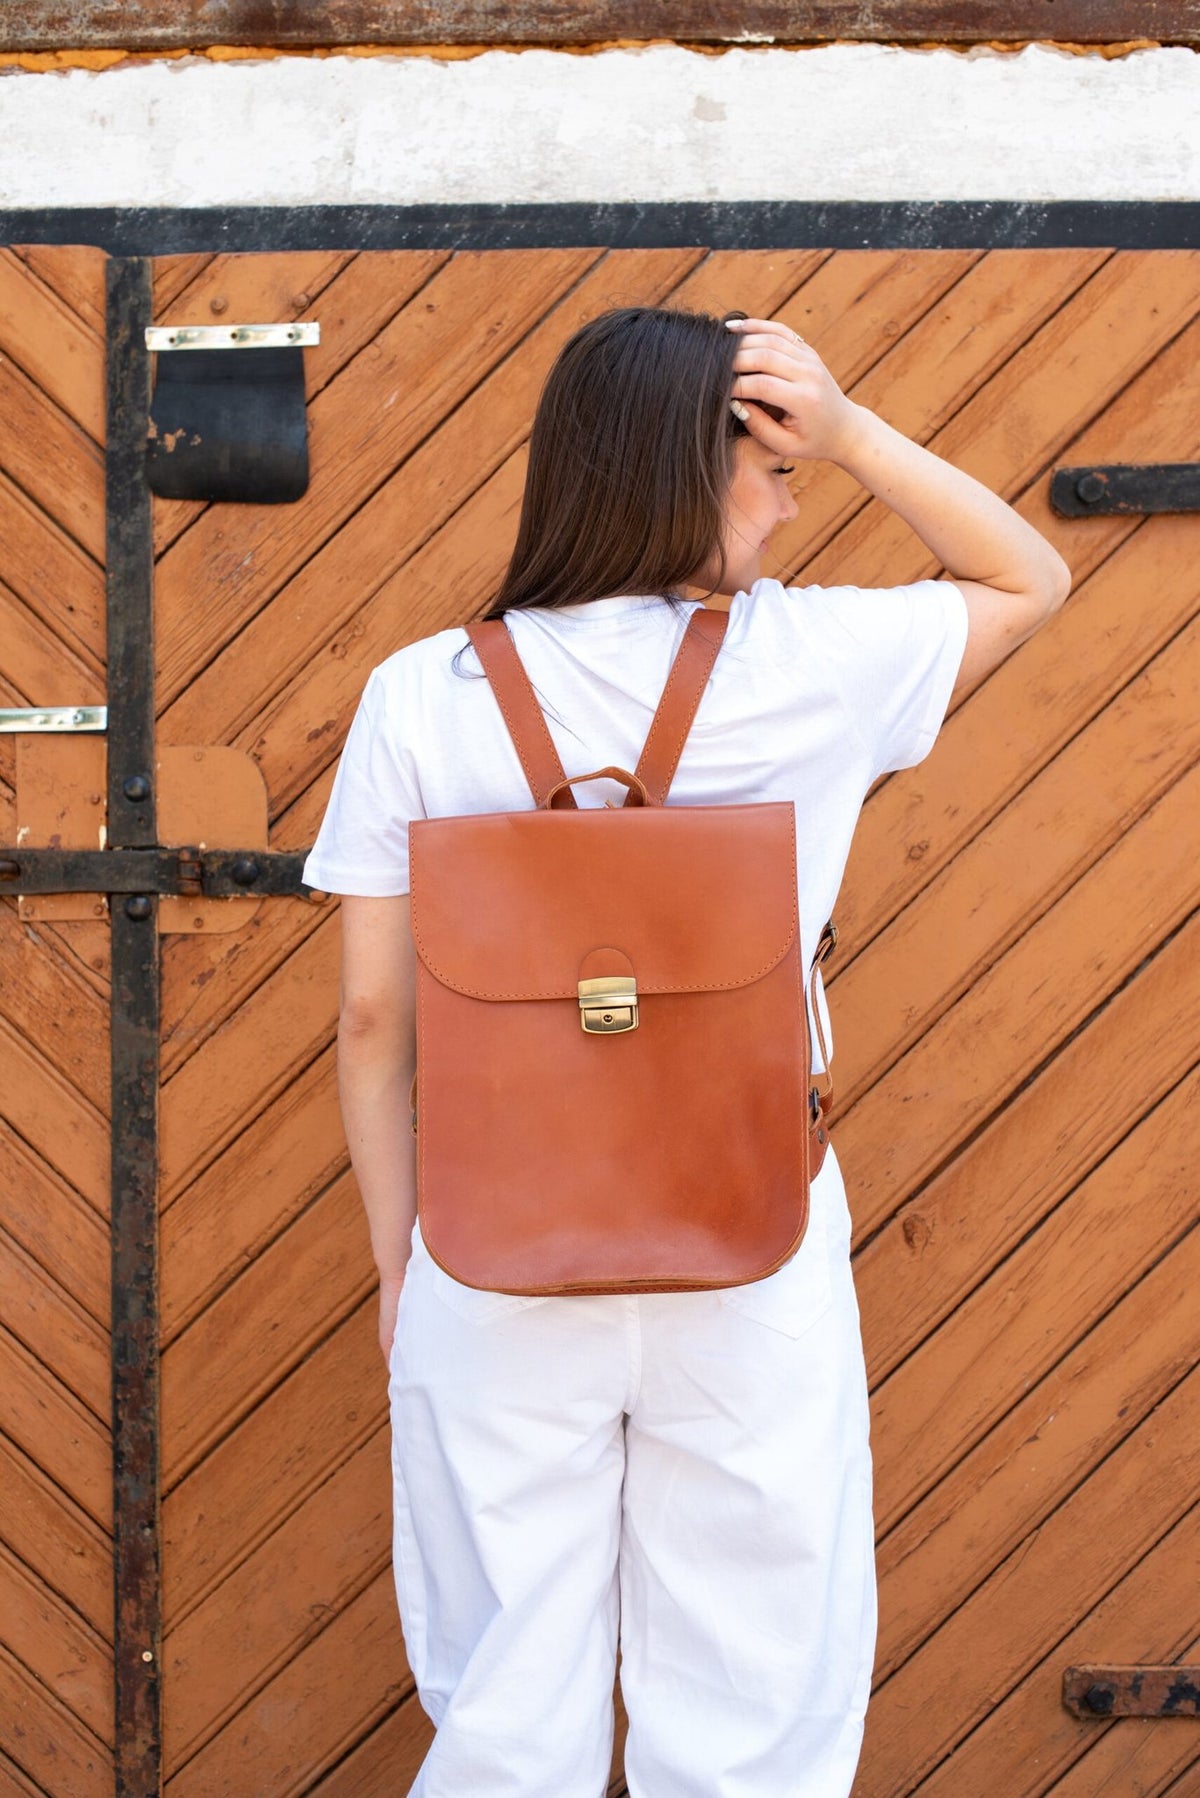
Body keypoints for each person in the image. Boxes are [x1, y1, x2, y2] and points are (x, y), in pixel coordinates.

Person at [301, 306, 1070, 1797]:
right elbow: (1026, 575)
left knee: (505, 1692)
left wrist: (405, 1263)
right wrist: (853, 428)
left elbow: (374, 1023)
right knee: (753, 1685)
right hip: (750, 1230)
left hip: (493, 1244)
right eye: (771, 469)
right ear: (692, 469)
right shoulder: (813, 659)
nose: (787, 503)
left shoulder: (422, 691)